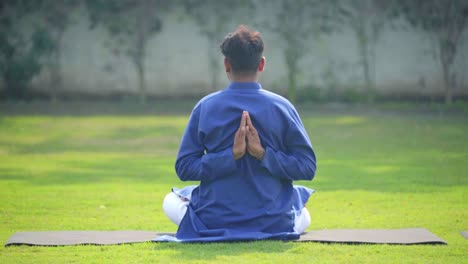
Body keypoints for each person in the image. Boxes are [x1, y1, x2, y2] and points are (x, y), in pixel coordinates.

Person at [162, 25, 316, 242]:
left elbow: (184, 167)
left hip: (214, 220)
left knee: (170, 199)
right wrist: (263, 154)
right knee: (304, 212)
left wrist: (230, 156)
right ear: (261, 64)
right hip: (273, 222)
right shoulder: (282, 107)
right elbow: (307, 167)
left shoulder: (206, 106)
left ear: (226, 64)